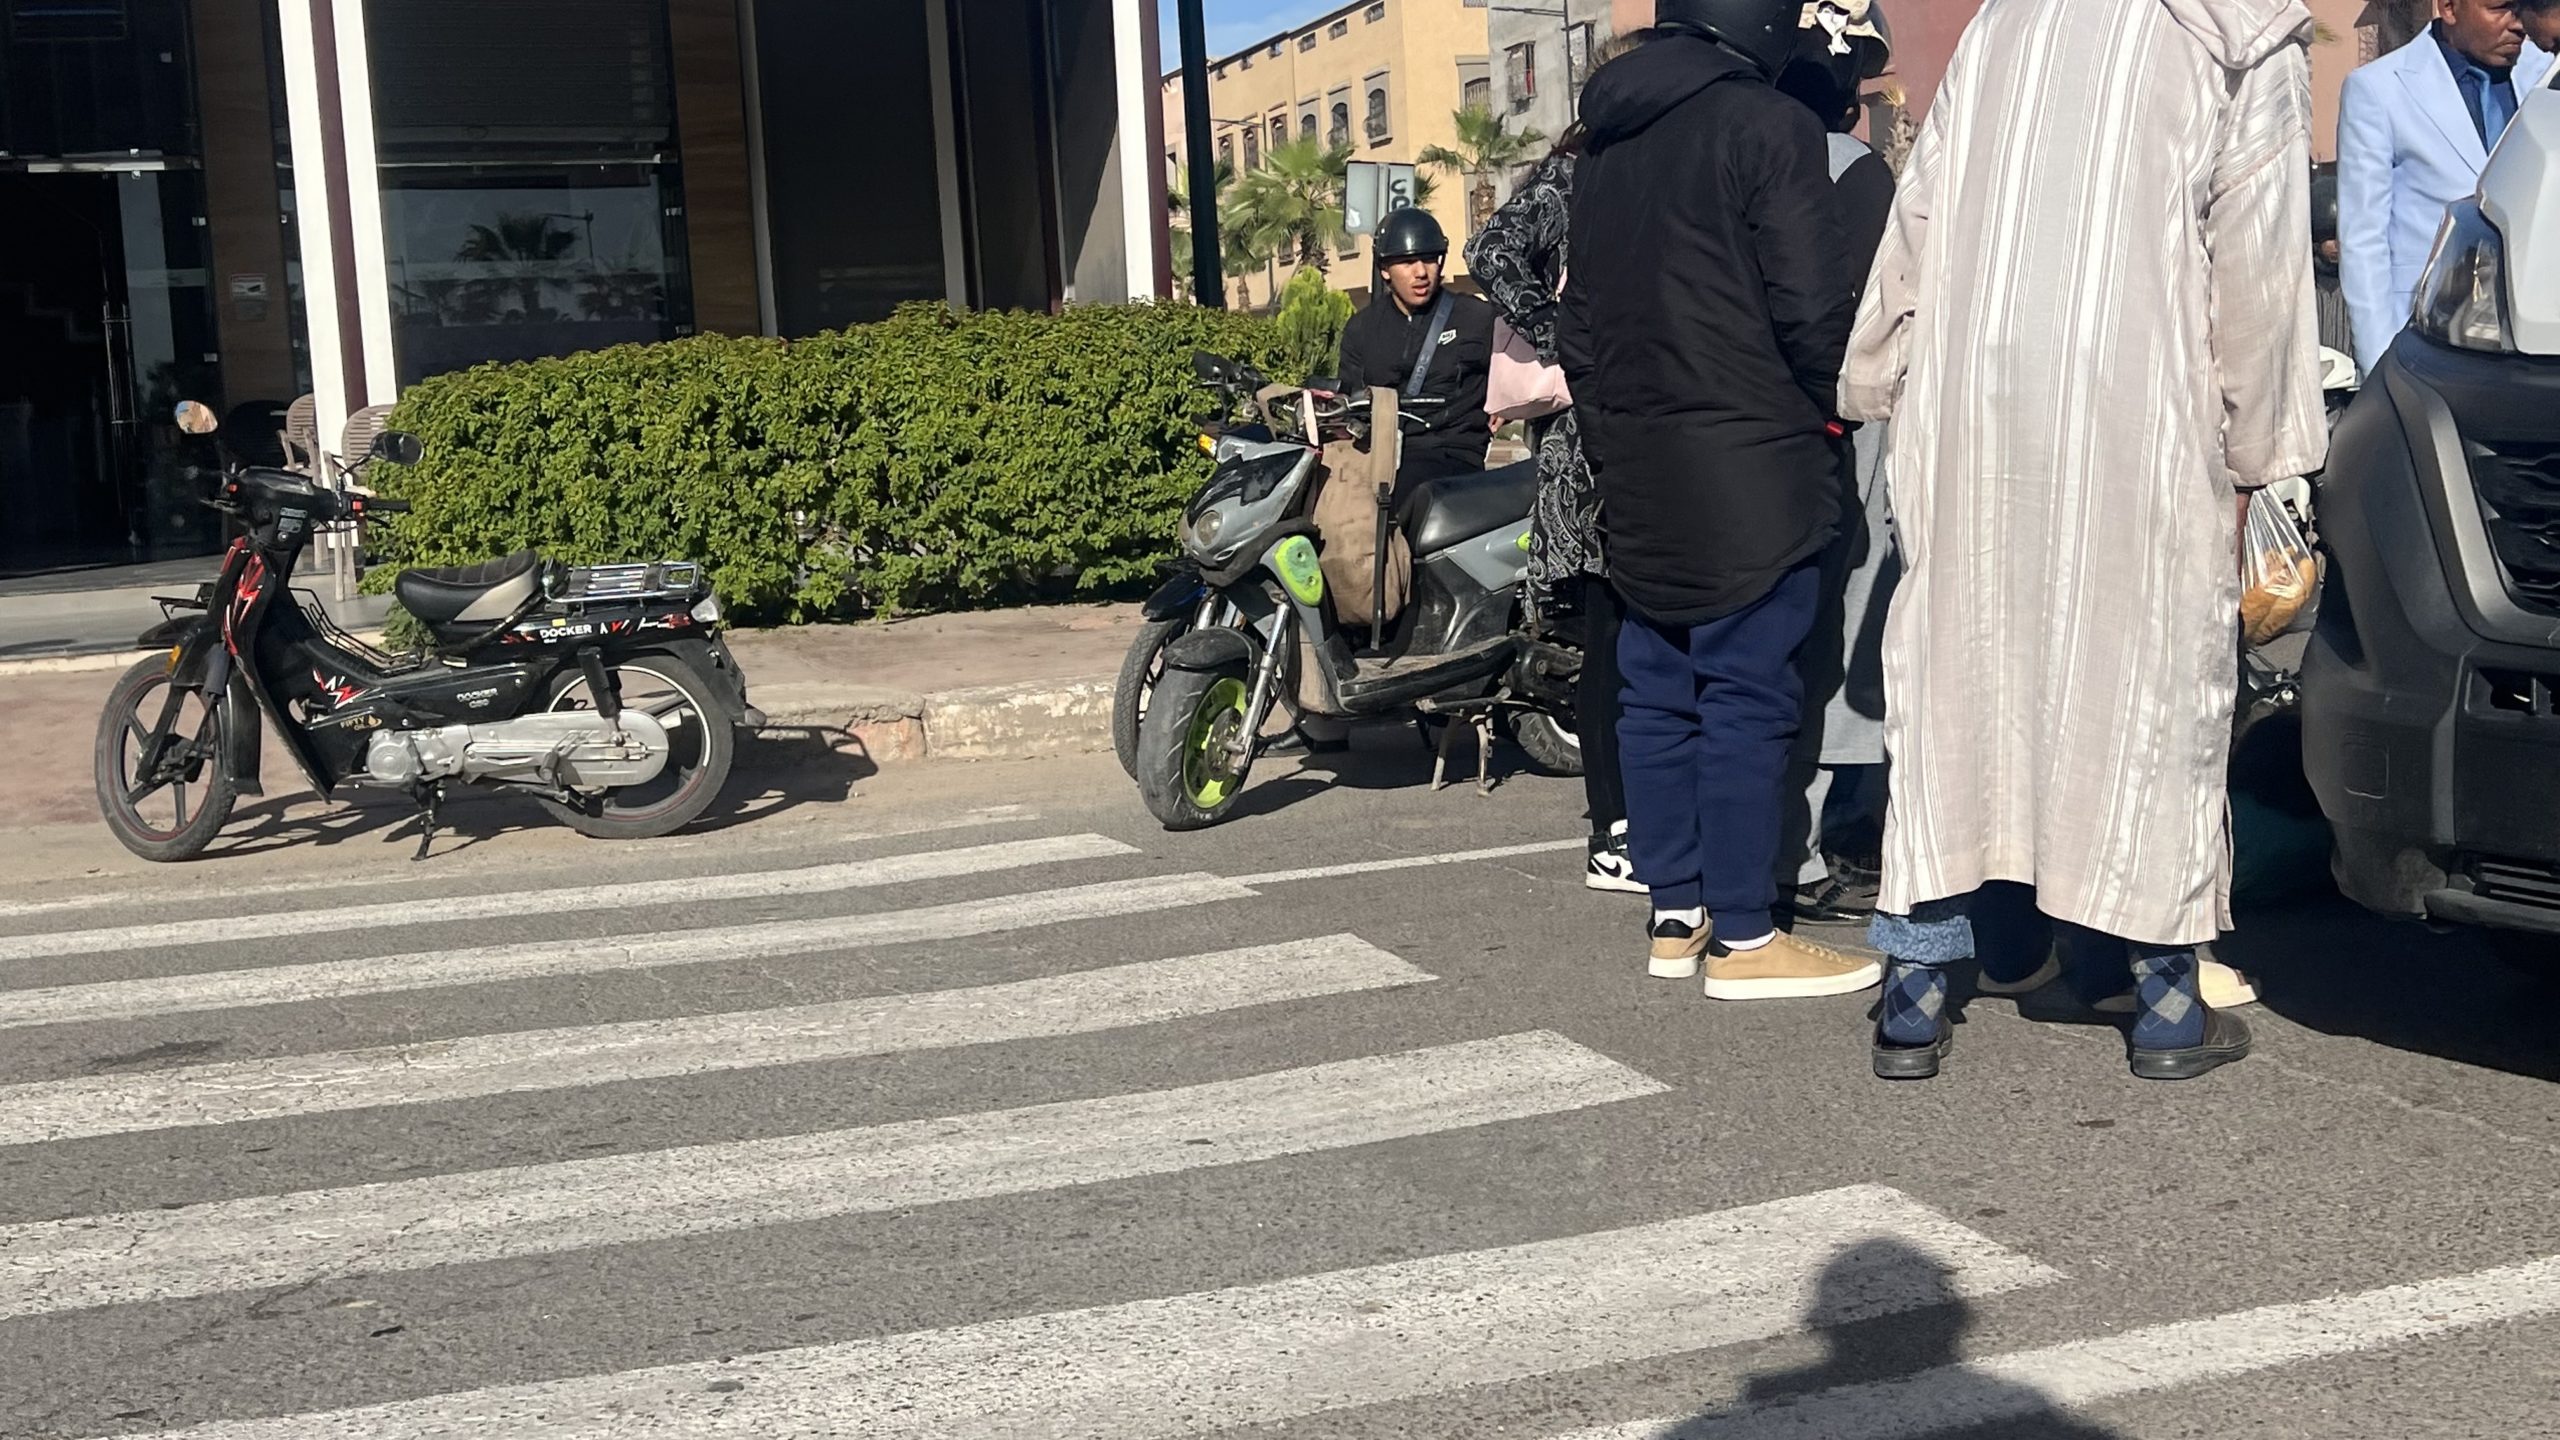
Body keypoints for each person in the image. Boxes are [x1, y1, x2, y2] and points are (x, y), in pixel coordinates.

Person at [1841, 0, 2326, 1080]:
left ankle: (1916, 992)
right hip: (2133, 402)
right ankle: (2162, 1002)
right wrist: (2266, 447)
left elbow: (1919, 209)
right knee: (2147, 687)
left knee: (1957, 682)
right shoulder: (2240, 31)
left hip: (1972, 401)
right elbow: (2257, 263)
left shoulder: (2008, 21)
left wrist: (1878, 367)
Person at [1559, 0, 1883, 1001]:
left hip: (1637, 457)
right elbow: (1812, 309)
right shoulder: (1768, 124)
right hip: (1754, 458)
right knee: (1747, 691)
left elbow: (1577, 323)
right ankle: (1746, 934)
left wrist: (1613, 434)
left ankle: (1677, 916)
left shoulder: (1605, 141)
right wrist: (1835, 410)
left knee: (1655, 689)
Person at [1465, 29, 1656, 895]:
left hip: (1637, 427)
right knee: (1611, 633)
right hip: (1585, 440)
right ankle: (1613, 828)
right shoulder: (1575, 174)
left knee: (1636, 632)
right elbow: (1491, 249)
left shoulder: (1642, 171)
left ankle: (1639, 820)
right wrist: (1562, 333)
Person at [1772, 0, 1899, 925]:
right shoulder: (1857, 175)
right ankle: (1827, 840)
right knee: (1852, 620)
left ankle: (1792, 840)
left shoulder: (1740, 159)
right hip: (1848, 421)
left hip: (1754, 428)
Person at [2337, 0, 2554, 374]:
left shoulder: (2546, 74)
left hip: (2534, 342)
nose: (2517, 24)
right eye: (2500, 8)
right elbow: (2363, 241)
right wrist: (2380, 366)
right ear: (2450, 8)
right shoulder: (2379, 88)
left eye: (2521, 8)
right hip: (2427, 338)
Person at [1336, 206, 1494, 485]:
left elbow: (1524, 365)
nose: (1421, 272)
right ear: (1385, 269)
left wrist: (1506, 403)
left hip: (1456, 458)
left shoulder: (1475, 317)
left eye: (1430, 259)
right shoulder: (1362, 328)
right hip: (1383, 459)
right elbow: (1349, 403)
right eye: (1407, 262)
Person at [2310, 164, 2354, 360]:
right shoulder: (2304, 288)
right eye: (2329, 237)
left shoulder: (2360, 288)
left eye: (2341, 237)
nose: (2337, 245)